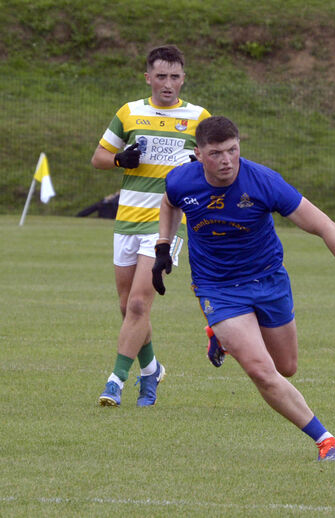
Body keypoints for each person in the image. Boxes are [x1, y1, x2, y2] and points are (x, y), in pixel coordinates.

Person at [152, 115, 335, 461]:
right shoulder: (181, 180)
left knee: (286, 367)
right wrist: (163, 245)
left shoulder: (264, 182)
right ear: (199, 154)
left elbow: (324, 226)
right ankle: (327, 441)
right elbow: (169, 202)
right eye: (215, 153)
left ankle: (220, 335)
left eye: (232, 150)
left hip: (268, 280)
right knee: (261, 371)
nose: (226, 160)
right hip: (217, 288)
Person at [91, 45, 211, 407]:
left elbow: (219, 164)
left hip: (167, 224)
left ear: (183, 79)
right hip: (127, 220)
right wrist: (119, 159)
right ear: (148, 78)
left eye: (174, 77)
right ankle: (151, 369)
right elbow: (98, 158)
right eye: (161, 76)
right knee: (127, 306)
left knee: (140, 304)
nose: (168, 83)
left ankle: (115, 381)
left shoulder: (198, 117)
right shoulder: (129, 113)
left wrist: (199, 166)